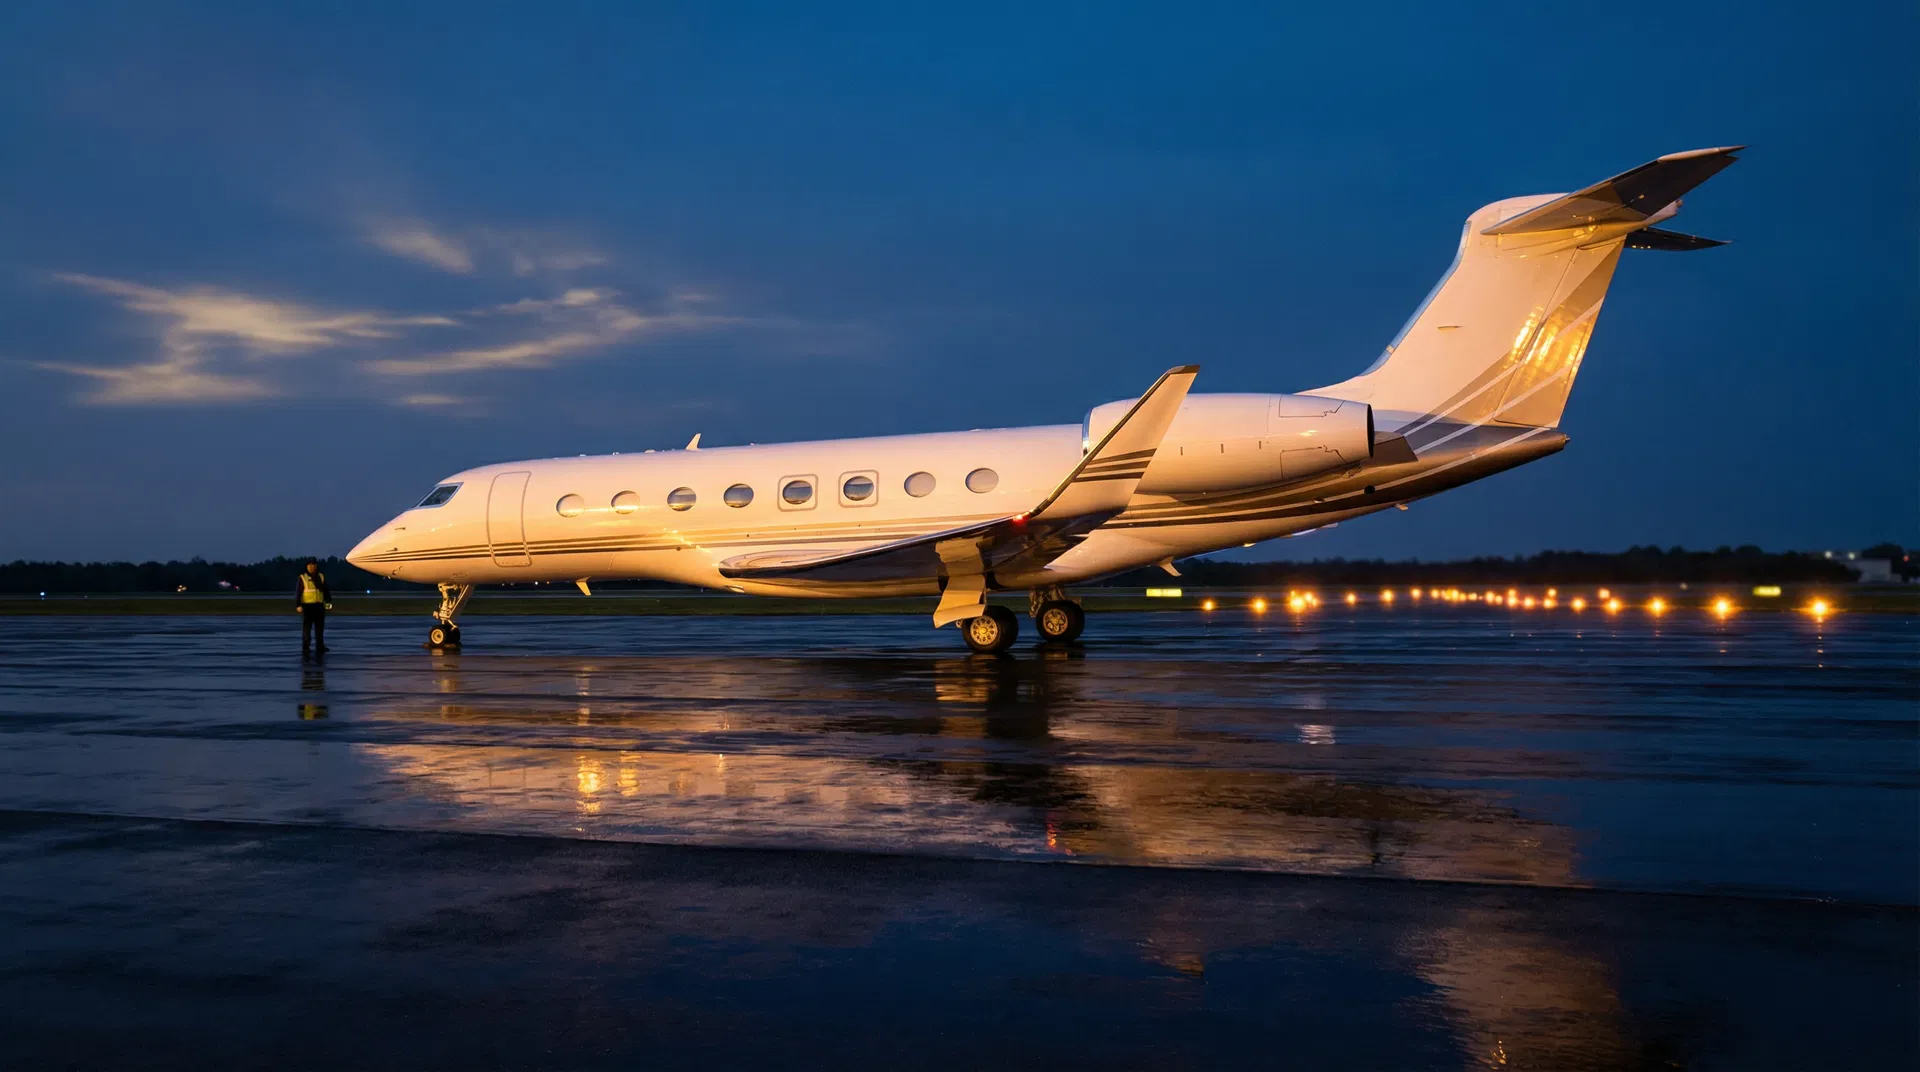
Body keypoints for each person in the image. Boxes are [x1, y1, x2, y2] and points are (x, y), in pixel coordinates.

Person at [296, 558, 333, 654]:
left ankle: (320, 646)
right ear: (307, 566)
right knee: (307, 628)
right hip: (308, 607)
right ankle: (306, 646)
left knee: (319, 629)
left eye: (314, 565)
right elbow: (298, 592)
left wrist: (328, 602)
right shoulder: (303, 577)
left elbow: (326, 590)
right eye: (310, 565)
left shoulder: (320, 576)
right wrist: (298, 605)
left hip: (319, 606)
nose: (312, 567)